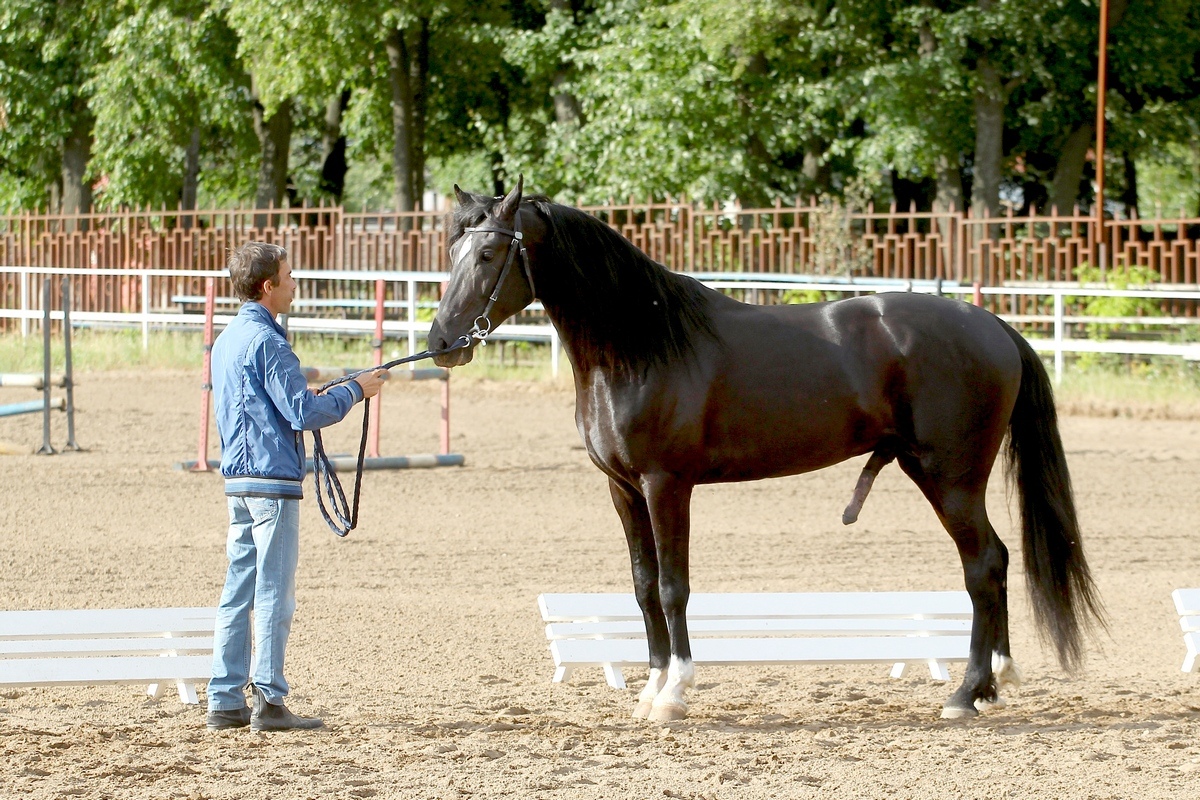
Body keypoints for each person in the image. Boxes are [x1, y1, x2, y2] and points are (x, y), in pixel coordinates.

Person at [205, 242, 387, 732]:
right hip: (272, 483)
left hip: (239, 481)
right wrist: (355, 391)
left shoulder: (226, 339)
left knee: (238, 589)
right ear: (268, 286)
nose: (294, 284)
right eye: (288, 277)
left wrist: (330, 392)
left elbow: (268, 403)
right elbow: (303, 413)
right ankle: (268, 699)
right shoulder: (270, 343)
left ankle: (225, 698)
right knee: (273, 593)